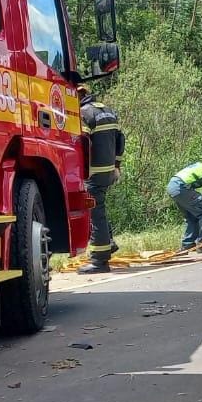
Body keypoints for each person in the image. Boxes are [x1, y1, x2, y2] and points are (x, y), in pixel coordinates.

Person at [77, 84, 124, 274]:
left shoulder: (83, 113)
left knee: (94, 214)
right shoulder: (108, 111)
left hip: (93, 173)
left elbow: (81, 143)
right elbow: (120, 139)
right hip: (108, 171)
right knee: (100, 208)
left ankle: (100, 260)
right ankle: (109, 242)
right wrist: (116, 165)